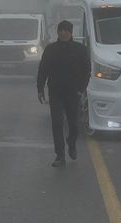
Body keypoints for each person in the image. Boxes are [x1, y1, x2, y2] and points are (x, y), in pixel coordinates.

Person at [37, 20, 91, 168]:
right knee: (57, 122)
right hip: (55, 91)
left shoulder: (80, 49)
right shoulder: (51, 49)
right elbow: (42, 70)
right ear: (58, 32)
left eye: (66, 30)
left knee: (74, 124)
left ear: (71, 32)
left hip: (73, 92)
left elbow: (87, 71)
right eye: (60, 30)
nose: (63, 32)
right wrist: (40, 89)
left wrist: (81, 89)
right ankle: (60, 155)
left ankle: (71, 143)